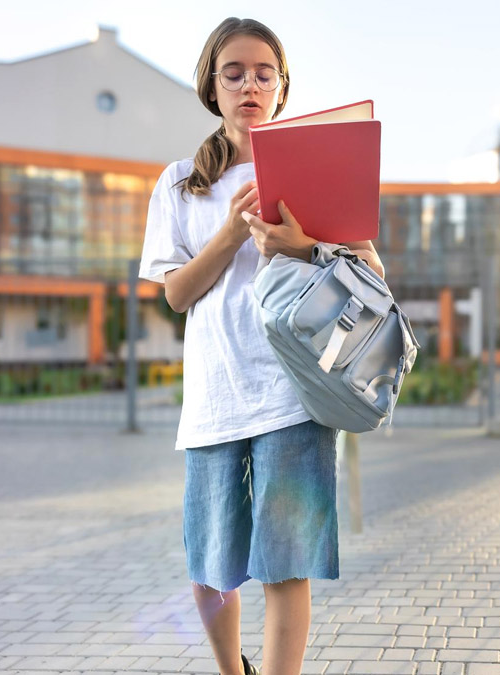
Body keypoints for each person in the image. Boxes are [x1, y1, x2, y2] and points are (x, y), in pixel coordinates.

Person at [138, 17, 384, 675]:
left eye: (264, 72)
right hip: (215, 398)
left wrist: (302, 247)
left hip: (295, 395)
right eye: (234, 72)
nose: (250, 84)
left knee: (287, 566)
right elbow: (176, 294)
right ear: (212, 87)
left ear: (281, 88)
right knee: (212, 569)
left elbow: (376, 278)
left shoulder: (319, 168)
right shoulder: (180, 182)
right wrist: (229, 235)